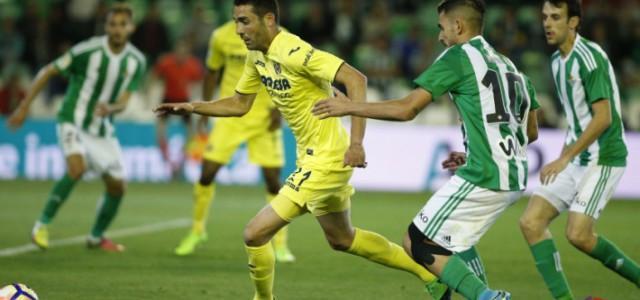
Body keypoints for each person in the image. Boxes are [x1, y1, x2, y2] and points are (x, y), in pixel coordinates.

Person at [155, 1, 447, 299]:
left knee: (254, 233)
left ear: (268, 20)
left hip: (328, 158)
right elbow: (239, 103)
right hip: (312, 156)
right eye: (236, 22)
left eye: (244, 21)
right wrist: (193, 107)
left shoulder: (294, 50)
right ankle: (431, 276)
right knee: (342, 239)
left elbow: (356, 79)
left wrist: (357, 143)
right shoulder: (256, 57)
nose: (238, 30)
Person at [312, 0, 539, 299]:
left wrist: (348, 106)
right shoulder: (510, 67)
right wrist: (478, 151)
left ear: (458, 26)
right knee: (452, 241)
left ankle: (487, 297)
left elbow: (407, 109)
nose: (440, 36)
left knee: (418, 242)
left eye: (441, 27)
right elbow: (530, 132)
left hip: (487, 173)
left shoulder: (458, 57)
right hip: (513, 172)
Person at [518, 1, 639, 299]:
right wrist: (566, 157)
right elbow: (576, 121)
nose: (547, 23)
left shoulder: (589, 57)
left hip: (604, 157)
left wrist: (563, 158)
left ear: (573, 22)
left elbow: (603, 117)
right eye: (545, 16)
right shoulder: (557, 62)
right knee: (531, 222)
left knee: (578, 235)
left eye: (556, 17)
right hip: (576, 157)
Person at [6, 3, 146, 252]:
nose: (117, 29)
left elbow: (125, 100)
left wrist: (111, 109)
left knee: (117, 187)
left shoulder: (137, 61)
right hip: (73, 119)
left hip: (102, 129)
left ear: (131, 27)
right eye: (112, 24)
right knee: (76, 167)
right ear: (106, 26)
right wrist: (24, 107)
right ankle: (41, 225)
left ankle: (96, 236)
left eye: (122, 25)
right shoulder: (87, 50)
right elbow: (48, 71)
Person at [173, 20, 294, 262]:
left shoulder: (280, 36)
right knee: (206, 173)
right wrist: (205, 109)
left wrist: (278, 110)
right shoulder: (220, 36)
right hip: (230, 114)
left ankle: (280, 244)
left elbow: (290, 75)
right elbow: (212, 72)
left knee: (272, 181)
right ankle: (197, 231)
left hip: (263, 115)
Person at [152, 38, 204, 175]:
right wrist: (150, 96)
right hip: (168, 100)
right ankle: (167, 160)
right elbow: (155, 78)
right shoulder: (166, 62)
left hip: (183, 101)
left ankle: (182, 161)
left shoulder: (193, 65)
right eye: (180, 51)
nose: (182, 54)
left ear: (188, 52)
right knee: (160, 131)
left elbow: (198, 82)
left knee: (191, 132)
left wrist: (196, 99)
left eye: (184, 51)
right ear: (175, 51)